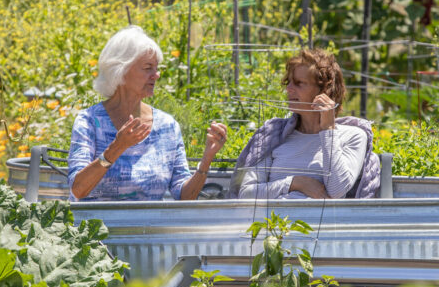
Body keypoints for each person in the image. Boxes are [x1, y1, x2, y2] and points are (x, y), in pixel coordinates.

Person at [68, 26, 227, 201]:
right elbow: (78, 189)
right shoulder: (89, 121)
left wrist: (206, 160)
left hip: (149, 227)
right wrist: (117, 147)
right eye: (148, 68)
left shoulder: (167, 126)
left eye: (157, 68)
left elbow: (184, 196)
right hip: (97, 227)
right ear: (120, 70)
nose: (156, 75)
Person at [231, 48, 379, 199]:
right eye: (288, 82)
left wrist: (328, 130)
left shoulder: (353, 136)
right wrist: (295, 183)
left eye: (298, 83)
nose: (288, 89)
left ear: (325, 91)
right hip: (275, 222)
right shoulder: (275, 135)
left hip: (318, 222)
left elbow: (337, 191)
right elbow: (246, 193)